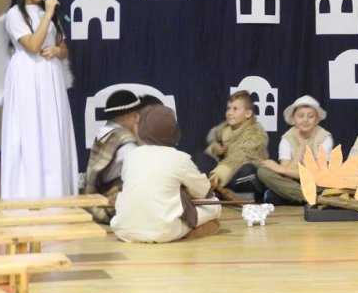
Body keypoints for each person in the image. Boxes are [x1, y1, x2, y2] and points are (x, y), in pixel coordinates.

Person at [0, 0, 78, 198]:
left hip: (50, 76)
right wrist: (48, 14)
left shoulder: (49, 14)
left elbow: (63, 48)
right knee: (30, 129)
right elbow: (33, 45)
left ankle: (55, 193)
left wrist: (57, 51)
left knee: (52, 129)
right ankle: (29, 193)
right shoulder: (15, 14)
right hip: (27, 75)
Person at [111, 104, 221, 242]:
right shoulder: (179, 158)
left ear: (143, 129)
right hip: (162, 231)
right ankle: (189, 229)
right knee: (214, 205)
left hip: (123, 230)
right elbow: (203, 191)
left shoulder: (131, 155)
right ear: (173, 130)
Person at [257, 95, 333, 205]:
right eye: (301, 116)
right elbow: (287, 174)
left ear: (317, 119)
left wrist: (280, 169)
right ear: (293, 119)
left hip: (316, 183)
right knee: (263, 172)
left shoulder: (324, 138)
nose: (305, 120)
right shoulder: (287, 138)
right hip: (292, 182)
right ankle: (310, 198)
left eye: (310, 116)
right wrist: (301, 148)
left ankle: (288, 196)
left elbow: (316, 174)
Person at [84, 89, 146, 223]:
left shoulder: (104, 133)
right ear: (124, 116)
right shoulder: (125, 143)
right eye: (135, 115)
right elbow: (144, 167)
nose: (137, 119)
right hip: (113, 209)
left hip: (96, 203)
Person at [194, 90, 269, 201]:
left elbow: (239, 157)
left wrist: (219, 173)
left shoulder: (255, 133)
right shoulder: (223, 131)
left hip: (238, 174)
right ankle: (221, 192)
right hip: (226, 174)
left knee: (248, 171)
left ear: (248, 113)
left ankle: (220, 191)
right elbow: (218, 156)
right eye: (228, 108)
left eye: (235, 109)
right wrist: (214, 149)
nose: (229, 113)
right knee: (200, 157)